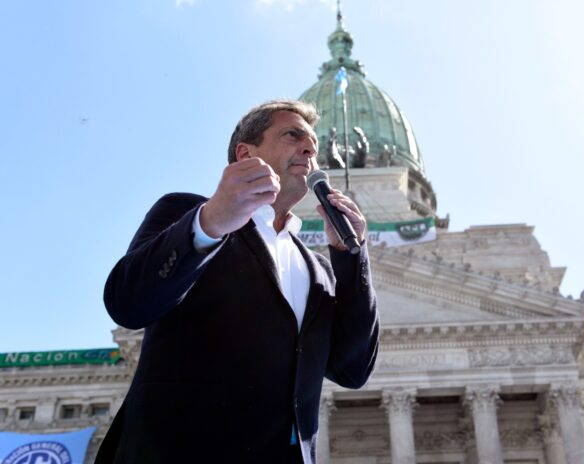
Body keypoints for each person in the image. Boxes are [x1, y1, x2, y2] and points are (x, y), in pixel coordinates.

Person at [95, 100, 380, 463]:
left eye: (313, 144)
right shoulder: (187, 213)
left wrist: (351, 256)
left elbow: (353, 370)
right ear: (246, 154)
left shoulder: (318, 269)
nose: (310, 150)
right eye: (293, 135)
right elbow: (128, 303)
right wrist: (210, 222)